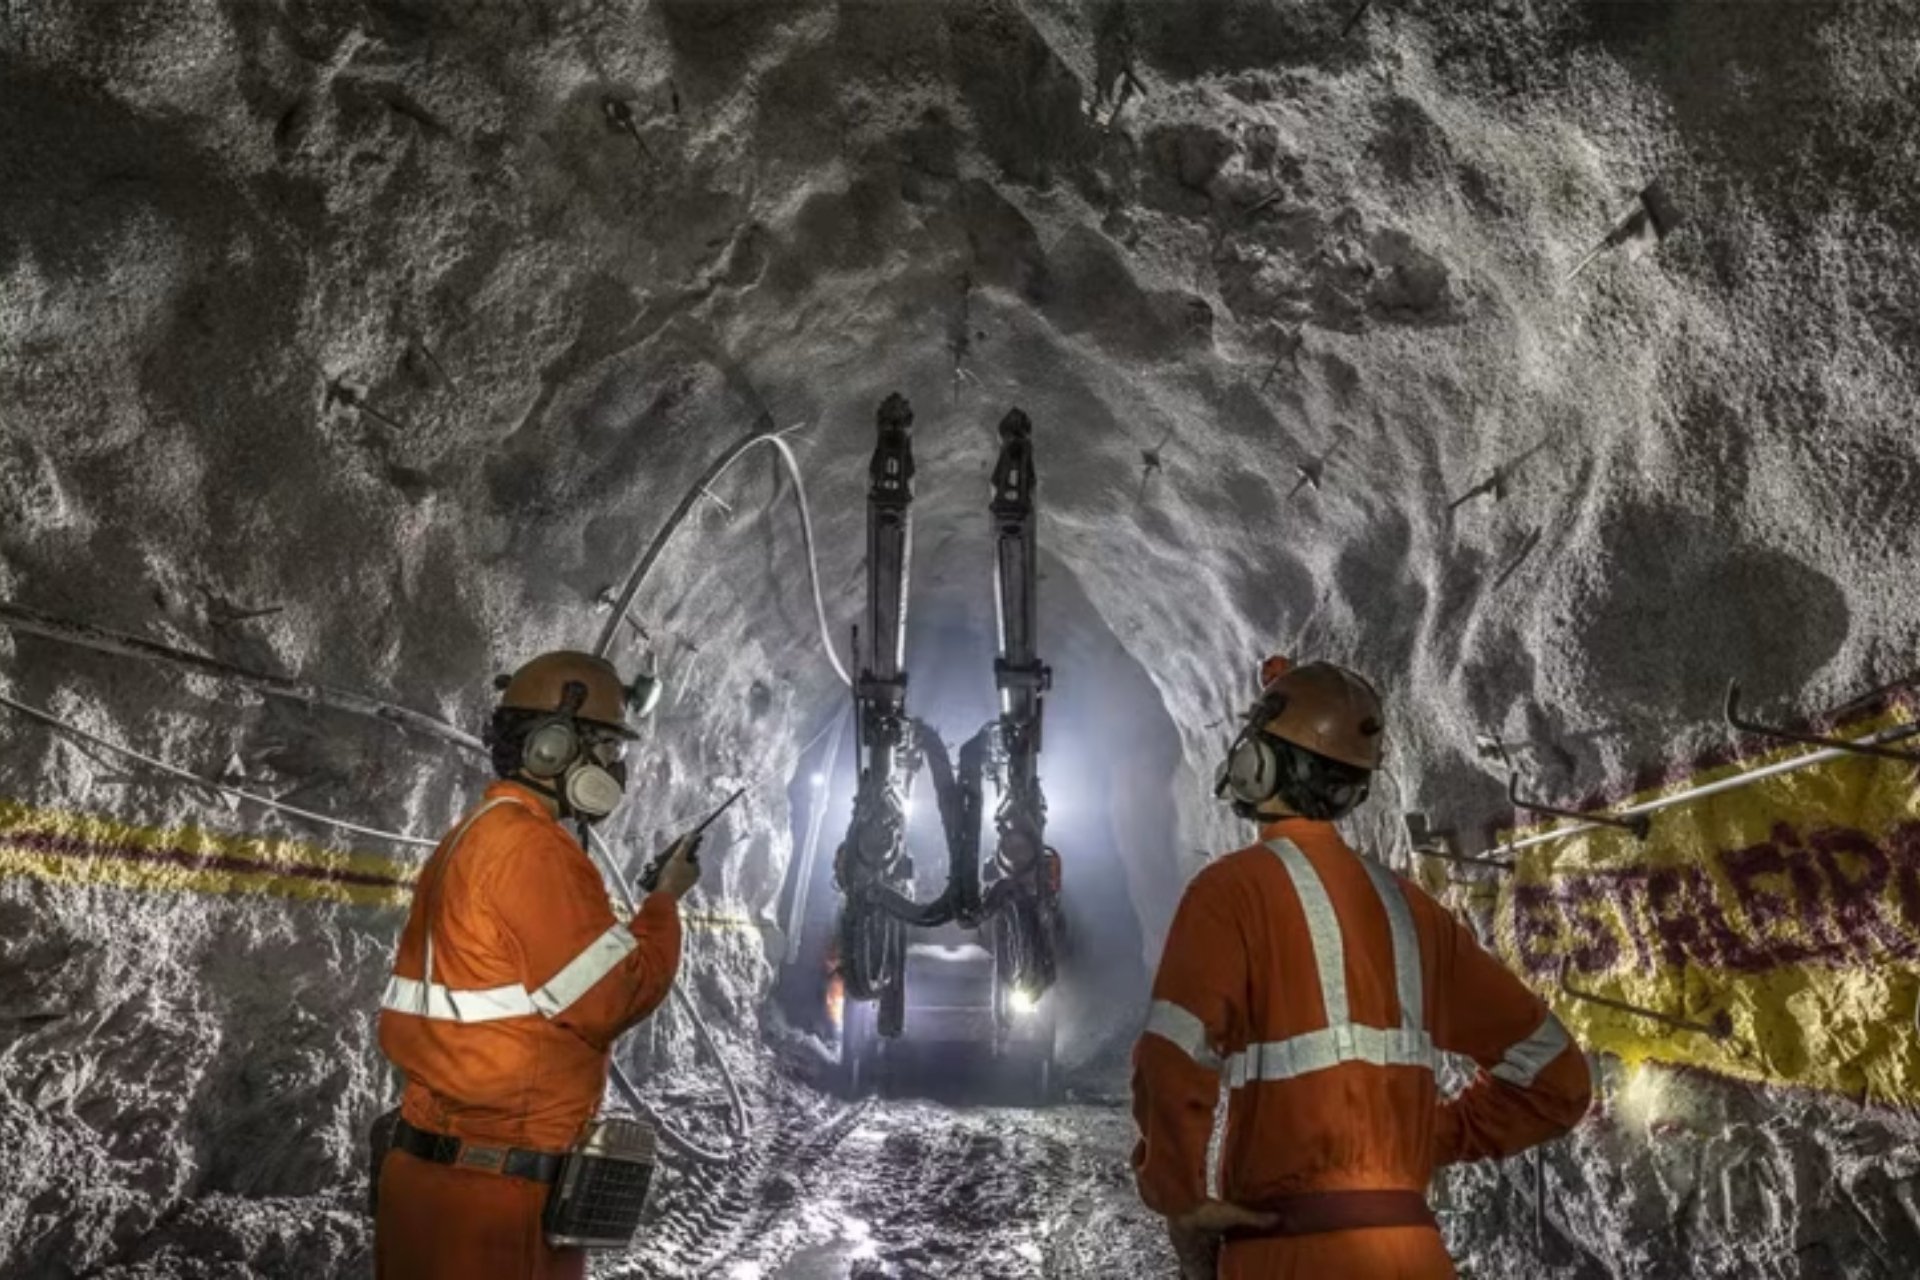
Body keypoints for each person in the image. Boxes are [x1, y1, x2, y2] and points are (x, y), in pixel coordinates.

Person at [1132, 656, 1592, 1279]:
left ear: (1258, 765)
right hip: (1414, 1256)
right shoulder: (1415, 913)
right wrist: (1422, 1137)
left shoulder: (1229, 893)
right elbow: (1558, 1078)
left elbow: (1170, 1062)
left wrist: (1181, 1200)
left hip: (1285, 1252)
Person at [374, 650, 701, 1279]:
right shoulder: (533, 849)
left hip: (421, 1180)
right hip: (499, 1195)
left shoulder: (470, 834)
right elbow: (614, 997)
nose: (615, 767)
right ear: (554, 748)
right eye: (606, 747)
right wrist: (663, 902)